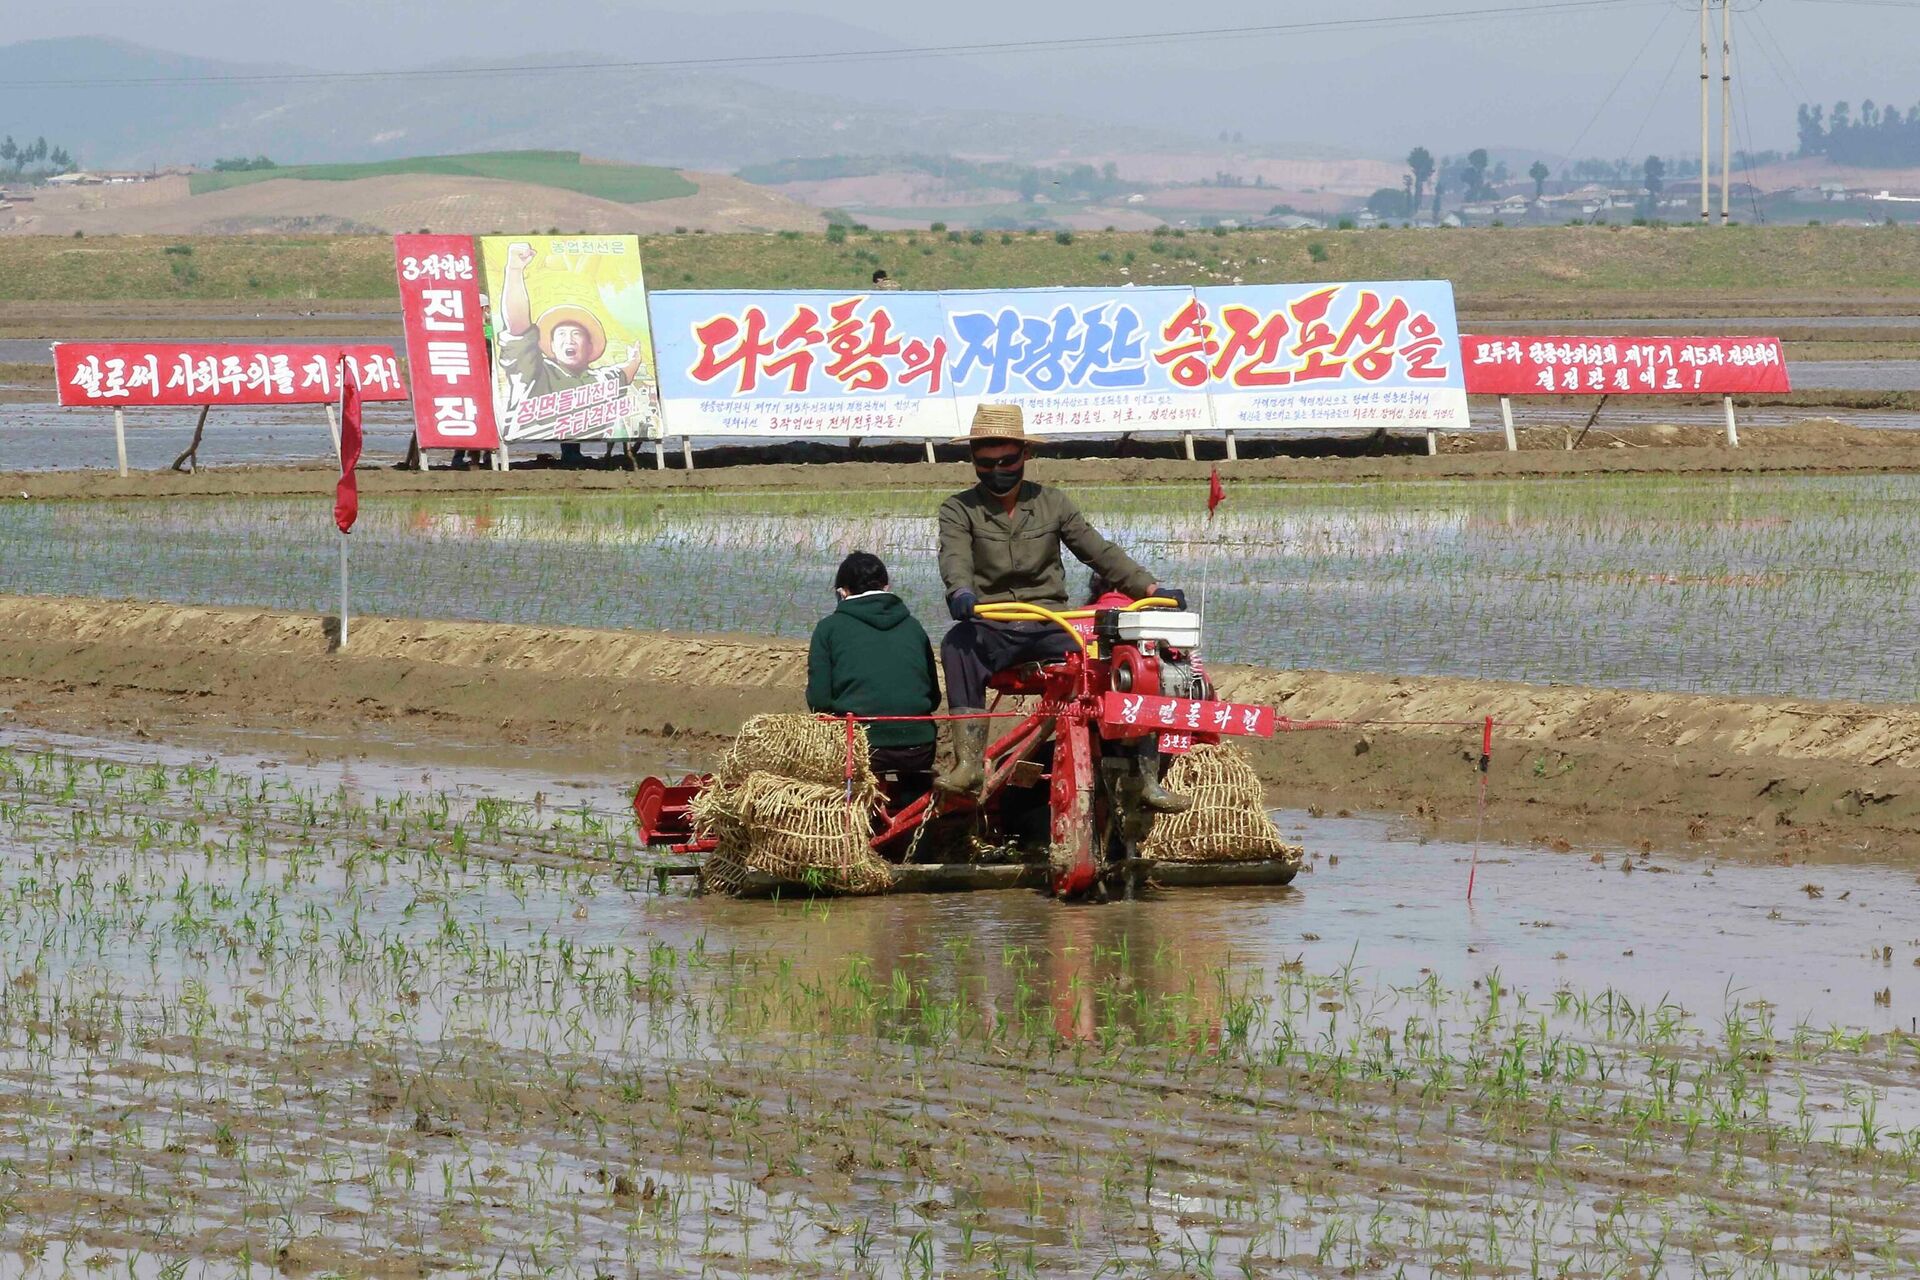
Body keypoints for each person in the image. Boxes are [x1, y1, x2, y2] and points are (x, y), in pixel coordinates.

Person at [934, 404, 1188, 810]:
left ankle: (1143, 777)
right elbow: (955, 558)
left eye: (1006, 460)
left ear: (1025, 456)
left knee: (1125, 662)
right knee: (957, 646)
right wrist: (961, 593)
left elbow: (1099, 552)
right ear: (973, 462)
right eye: (986, 463)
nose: (997, 469)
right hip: (995, 625)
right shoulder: (958, 509)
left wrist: (1152, 587)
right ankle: (969, 764)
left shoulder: (1054, 503)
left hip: (1053, 624)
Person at [496, 242, 649, 467]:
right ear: (551, 345)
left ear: (590, 346)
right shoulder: (534, 371)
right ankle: (569, 453)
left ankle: (572, 452)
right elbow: (518, 326)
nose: (569, 340)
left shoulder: (598, 379)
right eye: (561, 335)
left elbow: (623, 373)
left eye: (577, 334)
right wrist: (515, 270)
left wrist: (635, 358)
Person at [807, 551, 941, 781]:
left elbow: (819, 701)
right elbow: (934, 697)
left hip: (860, 748)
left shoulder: (828, 629)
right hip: (919, 747)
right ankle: (911, 807)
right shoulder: (913, 626)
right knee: (910, 792)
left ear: (842, 592)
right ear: (886, 588)